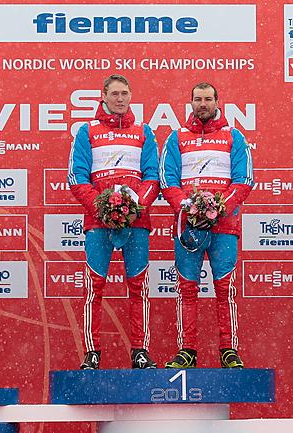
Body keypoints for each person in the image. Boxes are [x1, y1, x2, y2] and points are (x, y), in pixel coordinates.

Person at [68, 74, 160, 370]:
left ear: (131, 96)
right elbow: (77, 177)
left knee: (139, 287)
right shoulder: (87, 131)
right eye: (114, 94)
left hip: (136, 222)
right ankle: (91, 352)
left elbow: (153, 176)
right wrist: (102, 208)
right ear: (104, 96)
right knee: (94, 288)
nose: (120, 99)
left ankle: (140, 350)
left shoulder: (144, 131)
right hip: (99, 222)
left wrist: (134, 207)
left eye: (124, 93)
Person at [159, 82, 254, 369]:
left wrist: (219, 208)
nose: (203, 104)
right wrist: (189, 208)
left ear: (217, 102)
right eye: (198, 99)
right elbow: (167, 180)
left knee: (225, 290)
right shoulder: (176, 137)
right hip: (189, 226)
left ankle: (229, 349)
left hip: (224, 226)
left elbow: (244, 180)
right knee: (187, 290)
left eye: (208, 99)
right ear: (190, 103)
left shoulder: (234, 136)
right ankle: (187, 349)